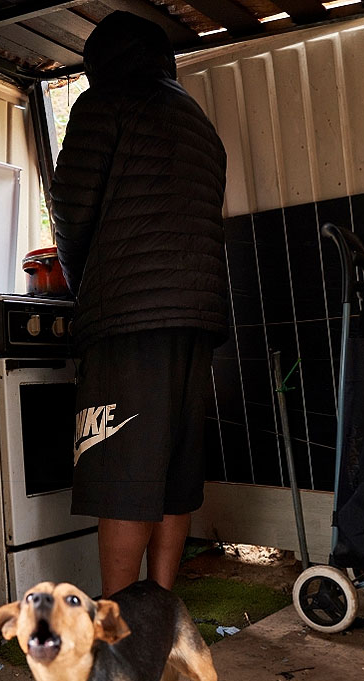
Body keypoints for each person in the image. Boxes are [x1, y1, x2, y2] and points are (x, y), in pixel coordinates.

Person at [50, 11, 228, 597]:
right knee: (174, 472)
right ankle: (161, 607)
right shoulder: (198, 122)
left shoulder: (105, 103)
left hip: (130, 316)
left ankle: (120, 622)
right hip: (197, 315)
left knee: (124, 472)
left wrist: (82, 284)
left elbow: (71, 209)